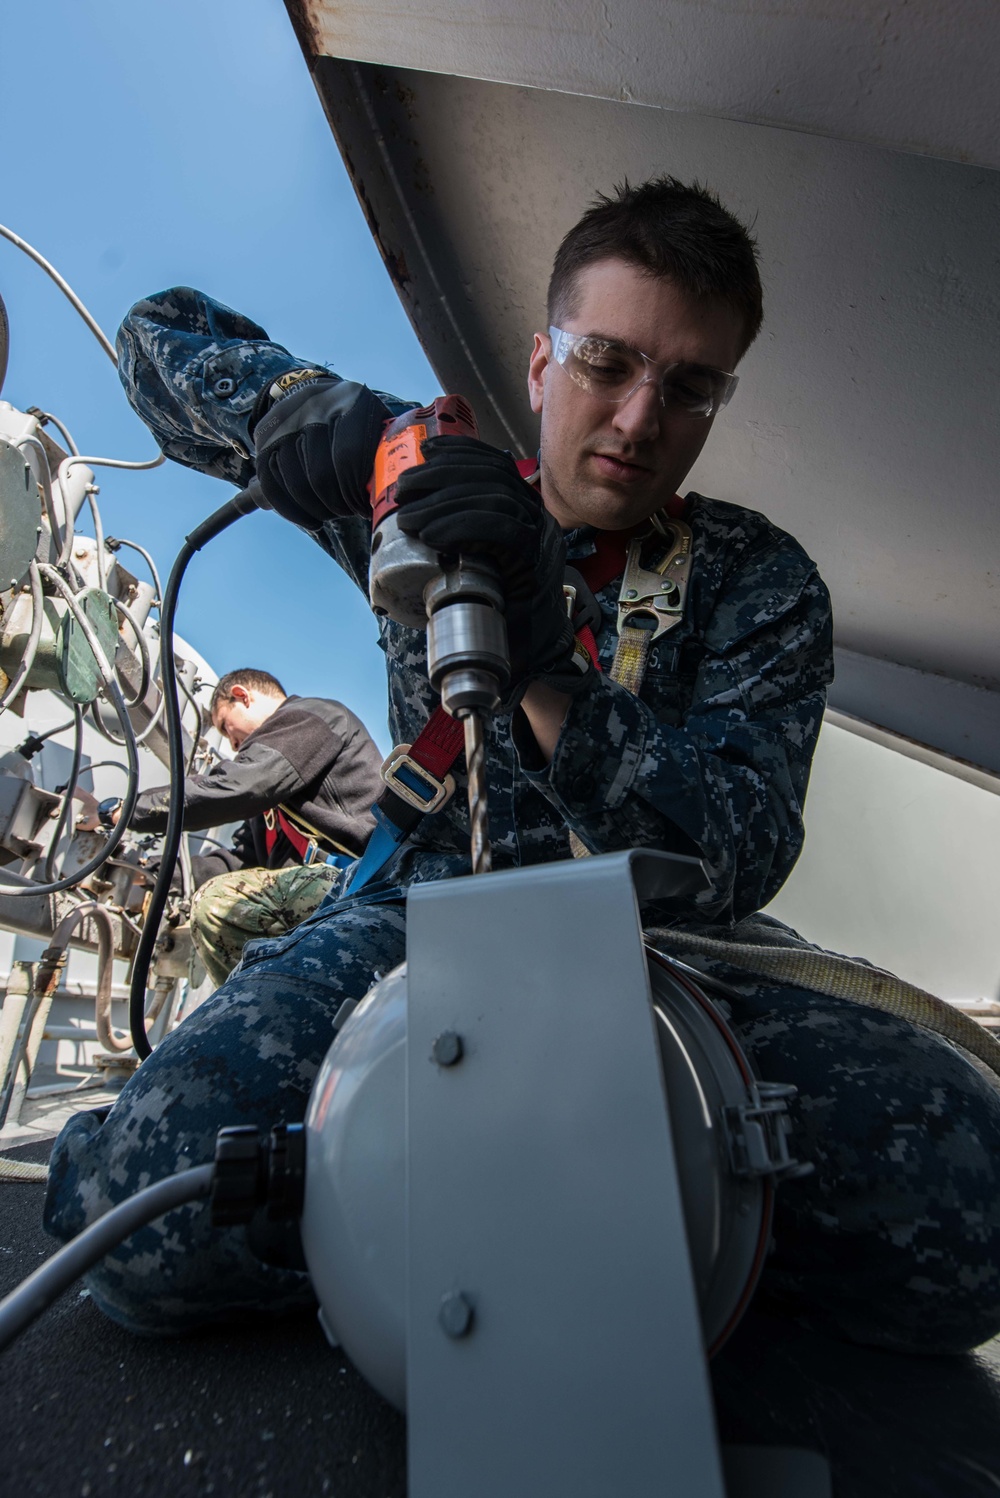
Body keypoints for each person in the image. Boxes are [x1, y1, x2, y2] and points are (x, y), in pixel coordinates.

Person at [44, 177, 1000, 1354]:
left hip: (667, 951)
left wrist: (549, 668)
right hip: (421, 917)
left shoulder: (758, 578)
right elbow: (157, 336)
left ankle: (432, 1203)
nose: (640, 416)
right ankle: (622, 1221)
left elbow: (740, 847)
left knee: (973, 1212)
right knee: (143, 1211)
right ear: (542, 367)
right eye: (606, 362)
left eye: (689, 386)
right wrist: (306, 409)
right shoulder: (432, 488)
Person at [89, 667, 384, 986]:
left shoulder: (309, 716)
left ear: (242, 696)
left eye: (225, 726)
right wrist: (149, 870)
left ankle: (257, 1009)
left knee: (218, 906)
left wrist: (124, 811)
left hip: (366, 881)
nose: (231, 744)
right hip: (324, 891)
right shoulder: (274, 793)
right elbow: (240, 863)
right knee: (230, 894)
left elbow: (237, 786)